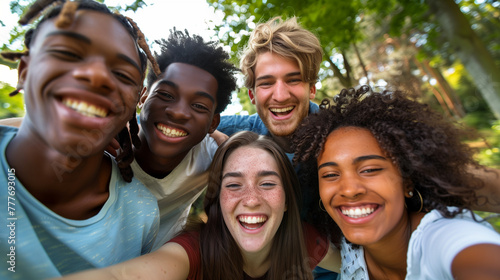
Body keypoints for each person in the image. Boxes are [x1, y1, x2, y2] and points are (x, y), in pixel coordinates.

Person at [0, 0, 160, 279]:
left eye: (122, 74)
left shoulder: (141, 215)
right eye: (68, 53)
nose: (97, 76)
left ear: (136, 101)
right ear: (24, 71)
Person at [58, 131, 341, 280]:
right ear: (217, 200)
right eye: (233, 184)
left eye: (267, 183)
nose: (252, 200)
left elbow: (367, 266)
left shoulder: (303, 241)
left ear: (289, 199)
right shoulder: (192, 251)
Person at [293, 86, 500, 279]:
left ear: (408, 181)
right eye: (330, 175)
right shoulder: (349, 247)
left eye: (370, 170)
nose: (349, 190)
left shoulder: (444, 238)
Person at [131, 29, 238, 249]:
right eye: (166, 95)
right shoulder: (107, 145)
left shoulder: (215, 156)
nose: (179, 113)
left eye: (199, 106)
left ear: (212, 123)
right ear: (142, 97)